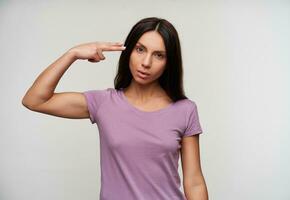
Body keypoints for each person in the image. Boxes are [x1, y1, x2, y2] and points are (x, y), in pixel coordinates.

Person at [22, 17, 209, 200]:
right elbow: (35, 100)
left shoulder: (185, 110)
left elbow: (194, 181)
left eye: (159, 55)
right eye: (140, 49)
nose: (146, 62)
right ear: (128, 52)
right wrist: (72, 54)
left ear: (169, 62)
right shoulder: (104, 103)